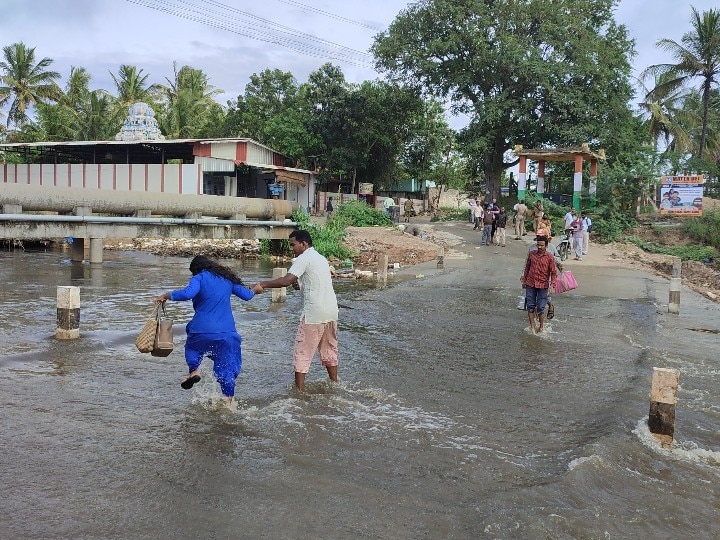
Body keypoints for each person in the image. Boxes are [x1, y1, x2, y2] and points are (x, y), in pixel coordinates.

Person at [155, 255, 255, 407]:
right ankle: (229, 403)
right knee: (226, 368)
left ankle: (194, 371)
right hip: (227, 333)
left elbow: (188, 294)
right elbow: (247, 296)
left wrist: (167, 295)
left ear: (196, 270)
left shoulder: (199, 278)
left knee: (192, 347)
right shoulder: (226, 278)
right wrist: (256, 289)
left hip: (201, 330)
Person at [252, 230, 339, 392]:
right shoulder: (320, 258)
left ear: (303, 244)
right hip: (331, 311)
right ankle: (335, 384)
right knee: (329, 350)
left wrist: (262, 284)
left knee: (302, 352)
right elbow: (316, 283)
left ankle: (299, 393)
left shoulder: (303, 257)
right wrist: (299, 284)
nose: (291, 248)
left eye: (293, 244)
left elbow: (286, 281)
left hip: (314, 314)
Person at [521, 234, 557, 334]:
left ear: (546, 245)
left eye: (541, 245)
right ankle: (532, 327)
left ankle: (541, 327)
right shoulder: (532, 254)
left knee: (541, 307)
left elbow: (553, 273)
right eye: (538, 245)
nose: (539, 247)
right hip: (530, 283)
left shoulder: (550, 257)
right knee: (530, 306)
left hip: (543, 285)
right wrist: (524, 280)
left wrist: (552, 286)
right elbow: (527, 268)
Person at [526, 228, 561, 320]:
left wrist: (555, 261)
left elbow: (557, 258)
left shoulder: (551, 247)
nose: (539, 246)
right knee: (532, 301)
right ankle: (538, 315)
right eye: (537, 236)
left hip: (547, 275)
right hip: (533, 276)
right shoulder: (532, 248)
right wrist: (524, 276)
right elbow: (528, 263)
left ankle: (548, 307)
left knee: (544, 297)